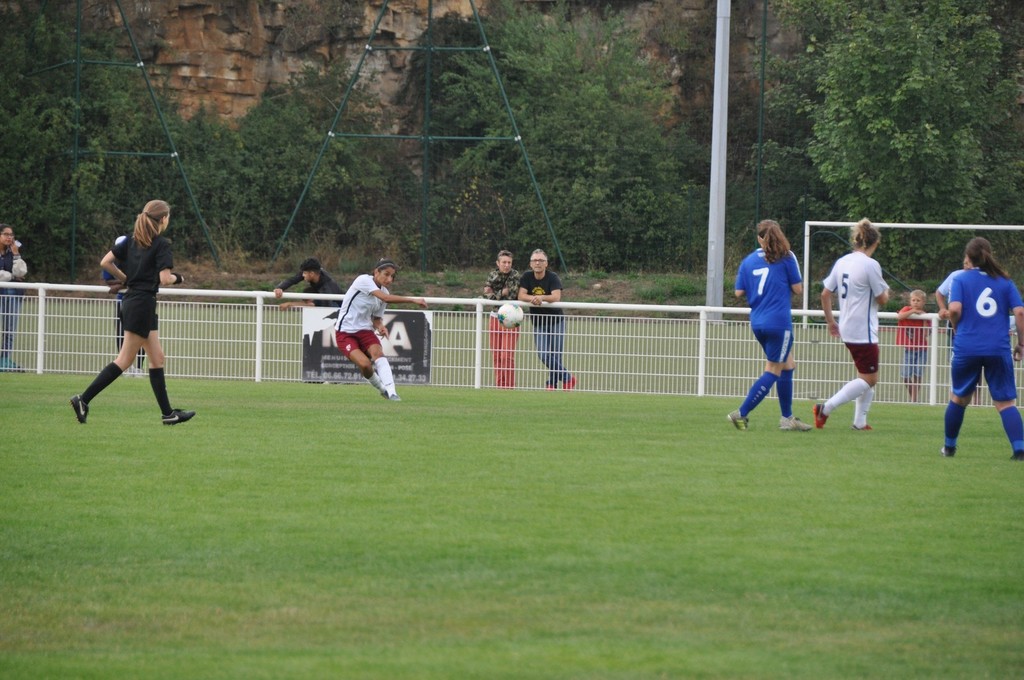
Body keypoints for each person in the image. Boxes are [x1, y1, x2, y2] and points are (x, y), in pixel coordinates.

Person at [69, 200, 194, 425]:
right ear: (163, 219)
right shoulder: (161, 244)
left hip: (134, 302)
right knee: (125, 359)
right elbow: (165, 279)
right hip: (142, 304)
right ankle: (83, 399)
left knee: (157, 358)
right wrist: (180, 278)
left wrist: (126, 279)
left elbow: (105, 262)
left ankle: (168, 414)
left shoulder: (130, 241)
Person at [941, 237, 1024, 461]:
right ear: (989, 255)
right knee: (1005, 403)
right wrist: (1021, 343)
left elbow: (955, 309)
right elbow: (1020, 313)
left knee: (959, 398)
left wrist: (957, 328)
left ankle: (949, 447)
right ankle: (1019, 450)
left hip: (967, 346)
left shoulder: (960, 279)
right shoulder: (1005, 281)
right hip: (997, 347)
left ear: (968, 258)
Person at [729, 219, 812, 431]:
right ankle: (741, 414)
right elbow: (798, 289)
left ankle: (787, 418)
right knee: (773, 369)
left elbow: (738, 292)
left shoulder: (748, 261)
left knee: (788, 365)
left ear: (759, 238)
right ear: (779, 235)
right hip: (778, 322)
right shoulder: (787, 257)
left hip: (758, 322)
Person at [814, 218, 890, 430]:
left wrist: (831, 322)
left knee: (864, 375)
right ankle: (825, 408)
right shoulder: (871, 265)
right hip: (862, 330)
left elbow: (825, 293)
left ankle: (859, 422)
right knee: (870, 379)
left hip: (847, 326)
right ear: (874, 243)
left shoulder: (843, 261)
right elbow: (882, 299)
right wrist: (887, 292)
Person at [333, 258, 427, 401]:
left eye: (392, 276)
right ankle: (382, 389)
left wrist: (381, 326)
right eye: (386, 274)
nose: (389, 279)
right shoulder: (363, 280)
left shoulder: (384, 292)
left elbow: (376, 318)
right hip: (345, 332)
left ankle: (392, 392)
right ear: (376, 272)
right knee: (365, 365)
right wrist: (413, 300)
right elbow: (386, 298)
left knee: (378, 353)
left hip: (365, 330)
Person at [518, 249, 575, 390]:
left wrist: (541, 298)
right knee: (543, 355)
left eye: (541, 260)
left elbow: (556, 296)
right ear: (531, 264)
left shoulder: (553, 277)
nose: (538, 263)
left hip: (556, 321)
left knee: (555, 356)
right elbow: (521, 295)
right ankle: (567, 377)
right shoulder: (526, 277)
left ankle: (551, 384)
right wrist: (533, 298)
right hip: (539, 323)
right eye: (535, 260)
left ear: (546, 264)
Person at [103, 235, 146, 376]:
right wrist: (125, 283)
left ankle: (139, 367)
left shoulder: (138, 259)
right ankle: (126, 367)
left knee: (142, 334)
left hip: (140, 300)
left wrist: (121, 284)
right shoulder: (113, 260)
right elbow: (108, 280)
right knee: (121, 334)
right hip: (122, 301)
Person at [483, 250, 521, 389]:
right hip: (494, 318)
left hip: (511, 319)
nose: (506, 265)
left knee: (507, 356)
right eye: (504, 262)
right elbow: (486, 296)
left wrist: (495, 294)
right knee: (497, 356)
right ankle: (500, 387)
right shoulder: (492, 275)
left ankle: (510, 387)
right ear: (498, 263)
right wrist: (501, 293)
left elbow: (512, 294)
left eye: (509, 262)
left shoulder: (515, 275)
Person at [0, 223, 28, 371]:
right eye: (6, 234)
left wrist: (17, 255)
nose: (9, 238)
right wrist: (11, 276)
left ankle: (4, 360)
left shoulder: (13, 252)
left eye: (11, 235)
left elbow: (21, 272)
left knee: (9, 331)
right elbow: (11, 275)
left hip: (14, 294)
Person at [896, 289, 929, 402]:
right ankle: (912, 396)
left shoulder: (925, 315)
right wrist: (912, 311)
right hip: (908, 349)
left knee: (918, 374)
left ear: (923, 302)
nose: (915, 302)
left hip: (922, 349)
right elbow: (900, 316)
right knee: (905, 375)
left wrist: (924, 318)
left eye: (918, 300)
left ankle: (914, 399)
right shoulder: (906, 309)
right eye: (913, 300)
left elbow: (925, 334)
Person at [274, 258, 343, 309]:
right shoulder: (314, 273)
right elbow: (292, 280)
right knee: (306, 292)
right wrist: (279, 288)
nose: (302, 275)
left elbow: (316, 305)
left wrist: (289, 304)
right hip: (325, 300)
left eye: (304, 273)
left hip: (338, 307)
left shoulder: (326, 287)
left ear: (312, 274)